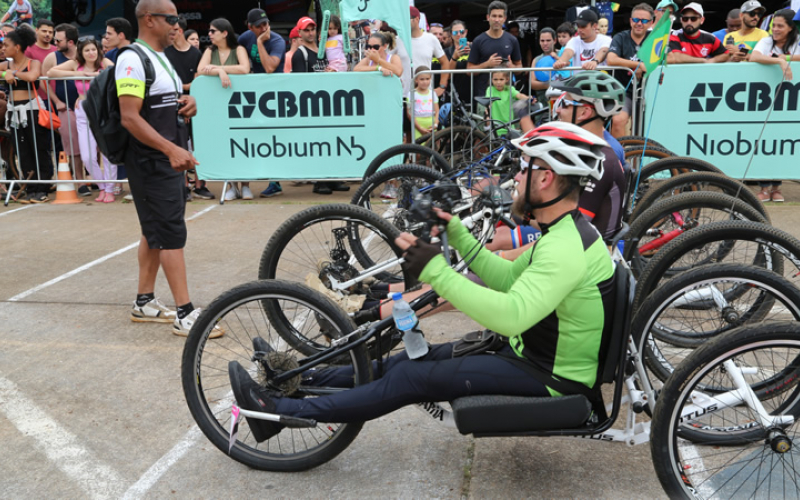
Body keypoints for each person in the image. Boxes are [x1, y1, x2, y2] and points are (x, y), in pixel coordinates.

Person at [227, 121, 616, 438]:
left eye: (524, 167)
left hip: (550, 378)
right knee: (406, 361)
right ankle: (298, 377)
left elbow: (511, 316)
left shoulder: (565, 248)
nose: (515, 176)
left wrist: (435, 271)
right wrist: (458, 234)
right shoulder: (564, 233)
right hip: (528, 356)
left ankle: (278, 412)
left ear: (545, 178)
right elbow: (506, 276)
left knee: (410, 378)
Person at [119, 0, 222, 338]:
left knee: (155, 230)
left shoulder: (160, 57)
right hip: (152, 161)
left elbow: (161, 104)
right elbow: (129, 117)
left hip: (165, 159)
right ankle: (185, 313)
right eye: (171, 19)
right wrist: (170, 149)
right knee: (170, 233)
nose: (177, 25)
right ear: (149, 19)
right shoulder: (132, 59)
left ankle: (144, 302)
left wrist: (189, 102)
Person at [496, 72, 626, 251]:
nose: (557, 110)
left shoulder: (601, 161)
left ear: (584, 112)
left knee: (495, 243)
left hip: (586, 251)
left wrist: (521, 214)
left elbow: (569, 230)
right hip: (566, 239)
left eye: (564, 104)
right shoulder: (578, 151)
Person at [49, 38, 118, 202]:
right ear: (81, 52)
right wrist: (79, 74)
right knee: (87, 156)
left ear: (98, 50)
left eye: (93, 49)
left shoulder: (104, 62)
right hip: (83, 110)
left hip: (103, 110)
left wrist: (95, 75)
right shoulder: (75, 64)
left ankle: (110, 189)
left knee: (107, 153)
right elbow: (51, 73)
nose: (91, 53)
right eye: (87, 50)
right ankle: (102, 187)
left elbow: (117, 73)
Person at [291, 16, 347, 196]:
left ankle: (333, 178)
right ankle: (320, 181)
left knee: (332, 141)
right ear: (299, 33)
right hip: (312, 106)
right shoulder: (300, 54)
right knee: (319, 143)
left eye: (312, 29)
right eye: (306, 30)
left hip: (329, 103)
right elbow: (300, 84)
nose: (310, 33)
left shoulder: (324, 49)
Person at [749, 8, 799, 203]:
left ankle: (777, 187)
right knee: (764, 141)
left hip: (790, 100)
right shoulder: (767, 41)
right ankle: (764, 187)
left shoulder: (796, 42)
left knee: (782, 141)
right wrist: (778, 61)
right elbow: (754, 57)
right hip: (764, 100)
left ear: (790, 27)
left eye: (780, 26)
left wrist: (785, 58)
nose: (775, 29)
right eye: (773, 25)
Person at [198, 18, 251, 201]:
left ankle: (246, 185)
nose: (209, 34)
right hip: (216, 106)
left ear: (225, 33)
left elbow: (244, 69)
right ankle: (232, 186)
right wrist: (220, 72)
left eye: (213, 31)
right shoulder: (209, 51)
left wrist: (218, 68)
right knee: (225, 145)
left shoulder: (239, 49)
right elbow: (200, 70)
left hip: (240, 105)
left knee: (242, 144)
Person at [237, 9, 285, 199]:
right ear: (250, 27)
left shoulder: (277, 40)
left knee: (275, 138)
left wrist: (259, 42)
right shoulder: (244, 38)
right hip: (257, 94)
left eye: (266, 24)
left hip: (277, 94)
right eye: (259, 26)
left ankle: (275, 182)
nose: (264, 28)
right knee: (259, 137)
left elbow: (270, 67)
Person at [2, 27, 53, 204]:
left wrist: (14, 74)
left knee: (38, 148)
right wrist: (5, 73)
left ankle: (43, 188)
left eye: (6, 45)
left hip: (32, 110)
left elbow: (32, 77)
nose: (3, 48)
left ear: (17, 47)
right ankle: (31, 188)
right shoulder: (5, 65)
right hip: (14, 112)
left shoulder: (33, 63)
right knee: (22, 151)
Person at [165, 17, 205, 200]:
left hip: (194, 104)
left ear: (179, 31)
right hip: (174, 105)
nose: (169, 33)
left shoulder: (196, 54)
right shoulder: (166, 53)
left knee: (198, 145)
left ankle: (200, 185)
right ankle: (184, 186)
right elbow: (167, 82)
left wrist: (185, 92)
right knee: (179, 146)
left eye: (172, 30)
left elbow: (198, 82)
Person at [42, 23, 84, 194]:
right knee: (72, 144)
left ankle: (94, 178)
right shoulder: (52, 57)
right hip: (65, 107)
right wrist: (57, 101)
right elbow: (43, 81)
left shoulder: (86, 53)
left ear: (71, 42)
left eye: (58, 40)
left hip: (87, 106)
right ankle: (80, 181)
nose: (55, 43)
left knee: (92, 143)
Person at [606, 3, 654, 137]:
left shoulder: (655, 39)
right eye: (636, 19)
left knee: (647, 126)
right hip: (624, 91)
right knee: (618, 121)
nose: (639, 23)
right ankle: (619, 151)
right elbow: (611, 59)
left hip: (649, 91)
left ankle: (641, 150)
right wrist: (637, 65)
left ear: (650, 23)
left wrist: (644, 66)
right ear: (630, 20)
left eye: (644, 21)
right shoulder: (620, 37)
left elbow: (668, 59)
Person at [467, 1, 522, 103]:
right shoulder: (478, 40)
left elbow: (520, 67)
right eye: (494, 16)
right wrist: (487, 64)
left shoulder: (512, 40)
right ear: (488, 17)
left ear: (504, 18)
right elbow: (469, 70)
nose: (497, 19)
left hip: (507, 95)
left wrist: (512, 67)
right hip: (484, 94)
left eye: (500, 16)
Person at [410, 6, 450, 99]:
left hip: (425, 94)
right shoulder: (397, 40)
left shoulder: (431, 39)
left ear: (417, 19)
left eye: (407, 19)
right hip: (402, 94)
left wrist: (442, 86)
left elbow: (445, 62)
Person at [485, 68, 531, 137]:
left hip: (509, 126)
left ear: (507, 79)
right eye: (495, 79)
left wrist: (529, 98)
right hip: (495, 127)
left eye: (501, 79)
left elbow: (519, 95)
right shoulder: (490, 89)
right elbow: (488, 102)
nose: (498, 82)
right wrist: (487, 114)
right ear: (491, 79)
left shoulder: (510, 89)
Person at [530, 28, 565, 103]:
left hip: (563, 99)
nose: (545, 43)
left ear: (554, 41)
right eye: (542, 41)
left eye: (548, 40)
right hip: (543, 100)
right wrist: (550, 84)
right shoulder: (536, 60)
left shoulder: (563, 54)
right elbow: (532, 83)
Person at [409, 66, 438, 140]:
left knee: (433, 145)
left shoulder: (433, 93)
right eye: (422, 79)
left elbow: (437, 111)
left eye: (427, 79)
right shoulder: (412, 94)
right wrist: (419, 128)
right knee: (419, 145)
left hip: (431, 124)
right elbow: (409, 112)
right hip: (418, 124)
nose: (425, 82)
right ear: (416, 79)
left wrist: (435, 124)